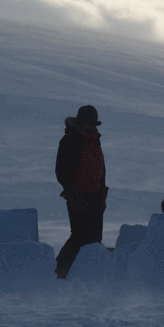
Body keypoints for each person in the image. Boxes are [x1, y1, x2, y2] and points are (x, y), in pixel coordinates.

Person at [54, 105, 108, 278]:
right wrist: (71, 192)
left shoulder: (95, 139)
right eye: (89, 123)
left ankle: (89, 272)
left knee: (95, 238)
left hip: (96, 196)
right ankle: (59, 270)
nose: (92, 126)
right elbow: (61, 170)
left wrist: (102, 192)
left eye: (94, 123)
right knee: (79, 236)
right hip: (79, 197)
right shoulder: (69, 140)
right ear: (80, 122)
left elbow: (100, 167)